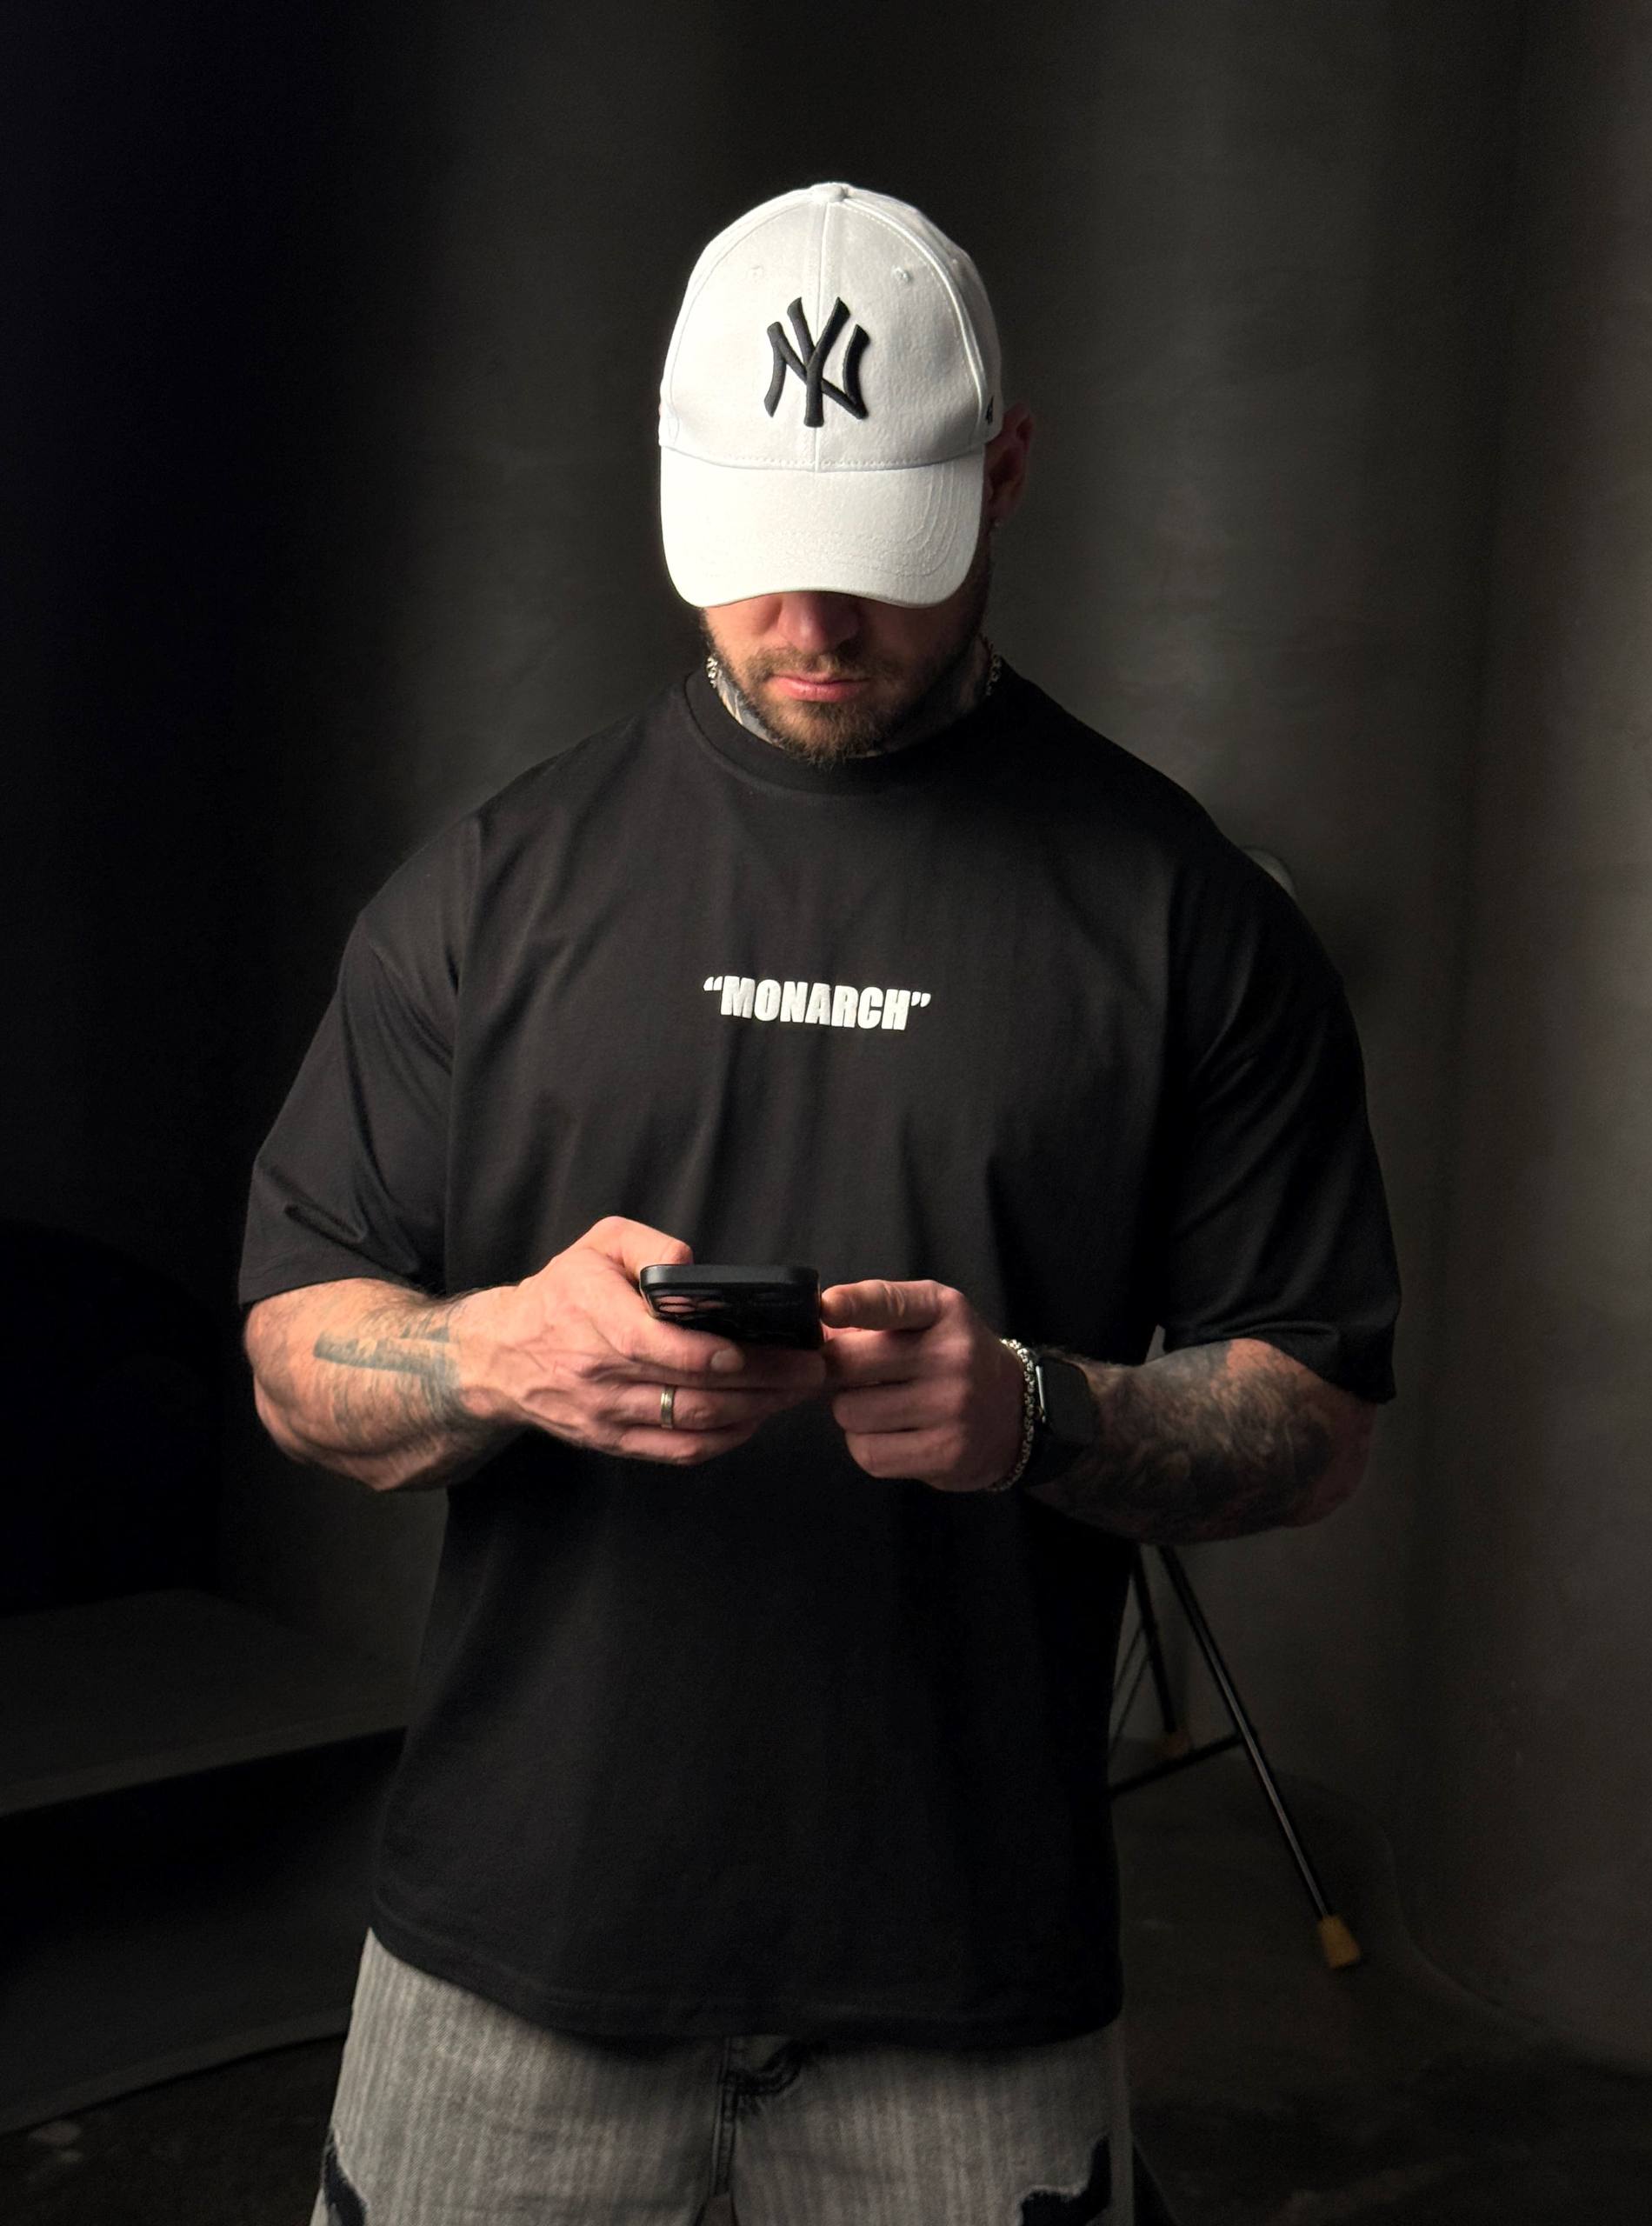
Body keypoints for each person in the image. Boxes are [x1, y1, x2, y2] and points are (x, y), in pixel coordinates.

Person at [240, 181, 1400, 2226]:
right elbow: (289, 1358)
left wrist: (1037, 1410)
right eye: (759, 552)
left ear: (1004, 472)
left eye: (875, 556)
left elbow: (1311, 1421)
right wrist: (497, 1352)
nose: (811, 624)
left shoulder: (1185, 915)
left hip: (967, 1985)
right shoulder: (488, 892)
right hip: (507, 1957)